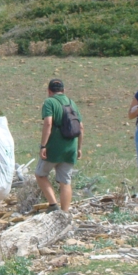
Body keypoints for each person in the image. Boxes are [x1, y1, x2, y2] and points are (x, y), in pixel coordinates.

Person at [37, 78, 83, 213]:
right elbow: (81, 127)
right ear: (64, 90)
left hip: (54, 146)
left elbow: (48, 123)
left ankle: (53, 204)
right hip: (71, 147)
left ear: (49, 91)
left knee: (40, 174)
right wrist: (79, 148)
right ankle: (65, 213)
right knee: (65, 181)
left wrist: (43, 146)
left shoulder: (49, 102)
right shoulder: (72, 103)